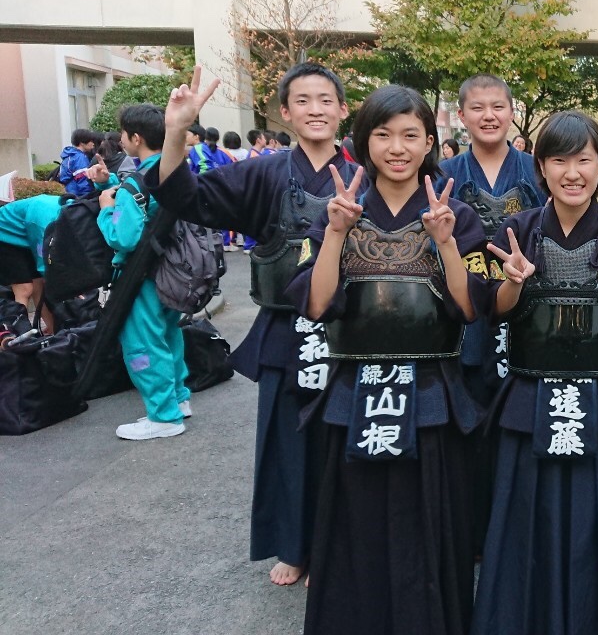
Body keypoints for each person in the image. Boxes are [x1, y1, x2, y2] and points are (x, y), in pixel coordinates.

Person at [146, 62, 364, 586]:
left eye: (326, 99)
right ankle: (293, 545)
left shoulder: (366, 173)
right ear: (284, 112)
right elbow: (184, 196)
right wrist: (176, 133)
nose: (315, 110)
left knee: (348, 439)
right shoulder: (263, 173)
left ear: (343, 109)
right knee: (287, 441)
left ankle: (339, 545)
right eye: (303, 101)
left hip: (352, 331)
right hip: (286, 330)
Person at [286, 85, 488, 634]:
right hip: (355, 391)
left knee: (431, 526)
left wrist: (446, 243)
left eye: (410, 135)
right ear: (364, 141)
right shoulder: (338, 210)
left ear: (430, 142)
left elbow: (471, 308)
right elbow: (316, 304)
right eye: (383, 135)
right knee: (355, 527)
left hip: (432, 392)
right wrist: (335, 233)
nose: (397, 148)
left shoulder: (455, 213)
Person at [472, 110, 598, 635]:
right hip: (532, 394)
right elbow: (494, 310)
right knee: (526, 516)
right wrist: (512, 283)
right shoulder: (518, 229)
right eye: (559, 160)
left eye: (583, 160)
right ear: (541, 167)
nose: (572, 172)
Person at [435, 73, 546, 549]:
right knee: (471, 415)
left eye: (498, 106)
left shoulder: (537, 170)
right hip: (466, 308)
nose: (489, 116)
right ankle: (475, 530)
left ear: (512, 111)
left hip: (524, 302)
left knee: (523, 414)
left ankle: (521, 526)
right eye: (477, 108)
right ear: (461, 115)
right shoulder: (444, 173)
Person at [86, 104, 193, 440]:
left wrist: (106, 209)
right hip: (173, 272)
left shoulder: (135, 184)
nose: (120, 139)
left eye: (123, 134)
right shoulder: (172, 171)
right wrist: (110, 182)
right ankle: (178, 399)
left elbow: (124, 237)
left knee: (144, 344)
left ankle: (164, 416)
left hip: (141, 276)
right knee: (169, 335)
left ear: (136, 138)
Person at [0, 192, 62, 332]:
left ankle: (53, 330)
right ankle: (20, 333)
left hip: (23, 236)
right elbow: (43, 260)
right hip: (3, 234)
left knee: (39, 285)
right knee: (24, 288)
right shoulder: (43, 222)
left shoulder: (71, 211)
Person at [58, 128, 97, 197]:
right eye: (90, 141)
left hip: (69, 192)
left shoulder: (70, 155)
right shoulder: (80, 158)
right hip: (78, 195)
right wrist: (88, 197)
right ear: (82, 143)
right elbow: (83, 180)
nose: (93, 144)